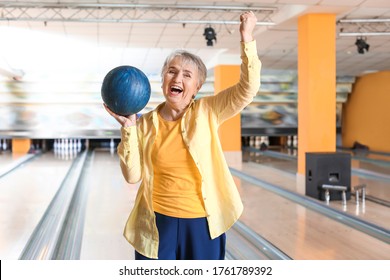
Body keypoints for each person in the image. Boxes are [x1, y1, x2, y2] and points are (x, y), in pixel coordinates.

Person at [104, 11, 261, 260]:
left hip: (202, 223)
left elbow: (247, 88)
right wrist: (128, 127)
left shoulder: (209, 111)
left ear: (197, 87)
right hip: (156, 222)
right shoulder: (143, 124)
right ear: (163, 78)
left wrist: (247, 38)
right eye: (172, 71)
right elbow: (132, 176)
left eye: (187, 75)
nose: (177, 78)